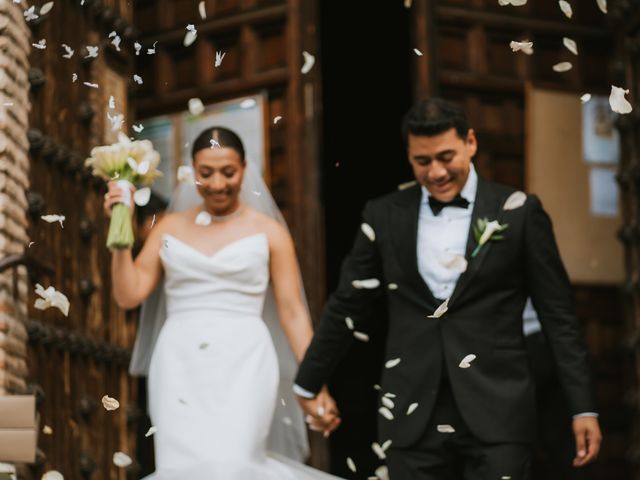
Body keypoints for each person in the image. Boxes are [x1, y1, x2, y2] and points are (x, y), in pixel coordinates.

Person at [294, 98, 602, 480]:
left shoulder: (518, 211)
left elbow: (558, 315)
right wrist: (307, 382)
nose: (436, 172)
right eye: (422, 162)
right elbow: (348, 303)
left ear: (470, 142)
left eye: (446, 157)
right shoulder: (384, 214)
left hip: (498, 408)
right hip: (411, 408)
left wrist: (582, 407)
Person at [104, 126, 342, 479]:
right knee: (182, 468)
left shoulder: (270, 231)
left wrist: (315, 383)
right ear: (192, 171)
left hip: (246, 361)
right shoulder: (168, 228)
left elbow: (293, 313)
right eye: (206, 173)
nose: (217, 184)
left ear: (245, 168)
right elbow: (128, 295)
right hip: (179, 363)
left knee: (236, 463)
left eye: (228, 172)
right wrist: (119, 233)